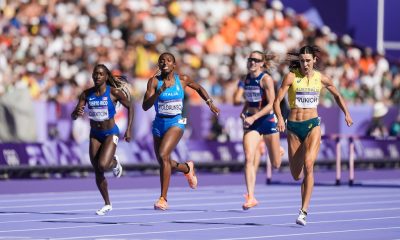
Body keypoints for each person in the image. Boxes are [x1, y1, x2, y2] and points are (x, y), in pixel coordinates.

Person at [273, 45, 353, 226]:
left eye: (308, 60)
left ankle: (303, 211)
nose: (305, 64)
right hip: (293, 127)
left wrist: (346, 113)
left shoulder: (321, 78)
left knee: (309, 165)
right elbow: (276, 101)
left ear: (314, 60)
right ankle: (293, 157)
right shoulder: (291, 77)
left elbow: (337, 95)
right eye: (302, 61)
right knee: (295, 174)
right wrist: (279, 118)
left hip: (312, 125)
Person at [142, 52, 220, 210]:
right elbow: (145, 106)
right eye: (161, 61)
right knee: (163, 162)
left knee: (164, 155)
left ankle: (163, 198)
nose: (164, 63)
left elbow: (198, 87)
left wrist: (209, 102)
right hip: (158, 123)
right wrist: (158, 92)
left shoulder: (182, 79)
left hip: (176, 122)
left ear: (174, 64)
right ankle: (187, 168)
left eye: (168, 60)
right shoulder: (153, 82)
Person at [71, 64, 133, 215]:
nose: (97, 76)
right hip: (95, 134)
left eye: (100, 74)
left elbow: (130, 107)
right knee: (97, 169)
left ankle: (114, 162)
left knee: (104, 164)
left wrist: (129, 129)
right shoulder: (86, 94)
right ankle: (107, 203)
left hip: (111, 133)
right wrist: (76, 112)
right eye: (95, 74)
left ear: (106, 77)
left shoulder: (114, 92)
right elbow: (74, 116)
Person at [233, 50, 283, 210]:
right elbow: (250, 99)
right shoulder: (246, 79)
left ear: (262, 63)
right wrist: (244, 109)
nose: (252, 62)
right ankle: (251, 196)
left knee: (276, 164)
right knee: (248, 158)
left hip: (267, 121)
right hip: (252, 123)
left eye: (255, 60)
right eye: (250, 59)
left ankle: (278, 150)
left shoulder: (266, 79)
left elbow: (271, 104)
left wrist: (254, 117)